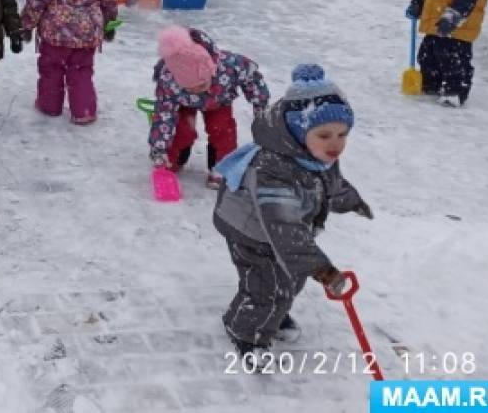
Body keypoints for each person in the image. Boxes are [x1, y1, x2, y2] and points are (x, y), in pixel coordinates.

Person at [212, 64, 373, 363]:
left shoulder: (314, 156)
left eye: (342, 134)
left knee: (288, 280)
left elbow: (330, 184)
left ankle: (271, 312)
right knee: (267, 286)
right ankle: (246, 331)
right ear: (299, 132)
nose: (335, 144)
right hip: (252, 232)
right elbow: (286, 230)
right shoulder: (274, 170)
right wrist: (326, 273)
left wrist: (350, 201)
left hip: (276, 232)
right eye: (324, 135)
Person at [150, 26, 269, 187]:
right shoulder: (169, 82)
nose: (196, 90)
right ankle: (172, 159)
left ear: (211, 70)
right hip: (185, 104)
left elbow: (252, 77)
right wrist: (159, 148)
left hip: (219, 100)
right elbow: (163, 116)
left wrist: (259, 102)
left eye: (201, 85)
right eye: (190, 87)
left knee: (222, 130)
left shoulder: (228, 66)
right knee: (183, 130)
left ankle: (222, 166)